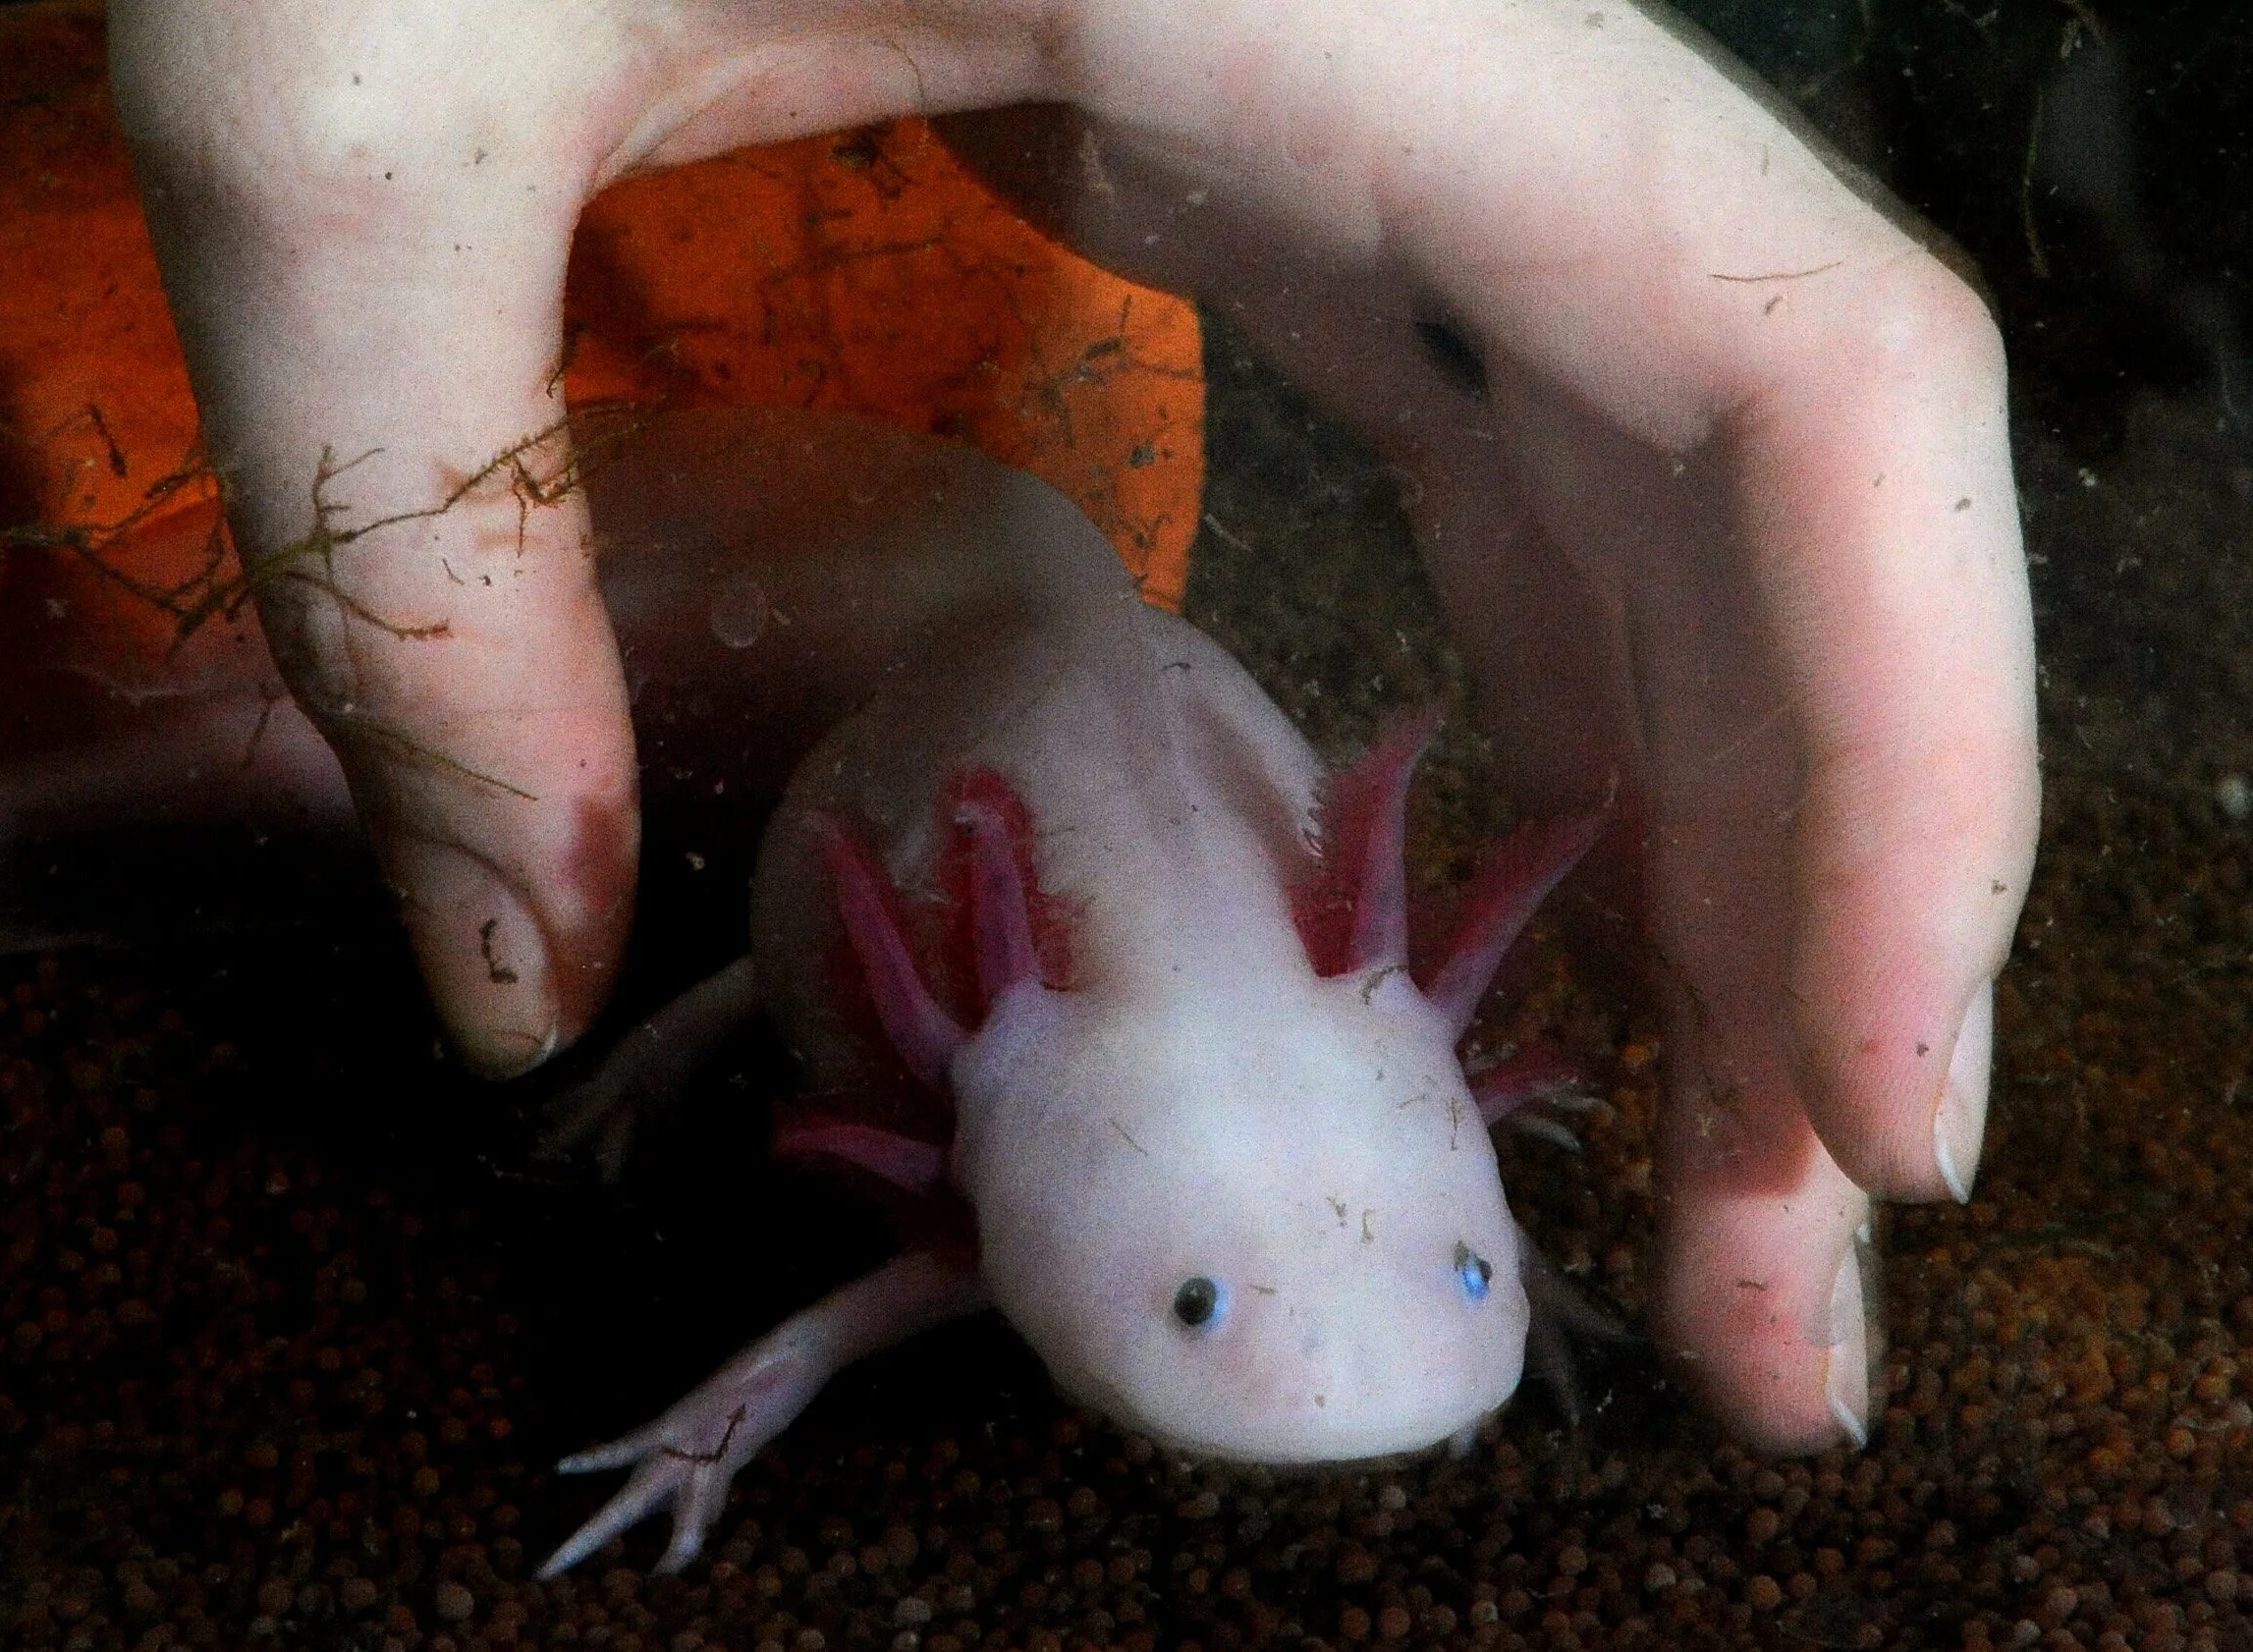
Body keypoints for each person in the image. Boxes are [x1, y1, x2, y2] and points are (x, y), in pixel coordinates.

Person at [103, 0, 2040, 1458]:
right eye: (1198, 1303)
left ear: (1469, 1069)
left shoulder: (1355, 1084)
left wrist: (1519, 1289)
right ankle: (686, 1016)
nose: (1369, 1362)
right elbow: (828, 1327)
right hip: (983, 701)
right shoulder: (985, 1070)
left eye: (1479, 1266)